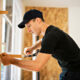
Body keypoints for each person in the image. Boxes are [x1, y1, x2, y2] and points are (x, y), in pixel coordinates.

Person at [1, 9, 80, 80]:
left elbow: (37, 66)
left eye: (29, 26)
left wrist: (11, 61)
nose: (28, 30)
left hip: (74, 73)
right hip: (73, 70)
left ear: (38, 20)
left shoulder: (51, 36)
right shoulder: (51, 31)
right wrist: (32, 48)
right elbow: (43, 40)